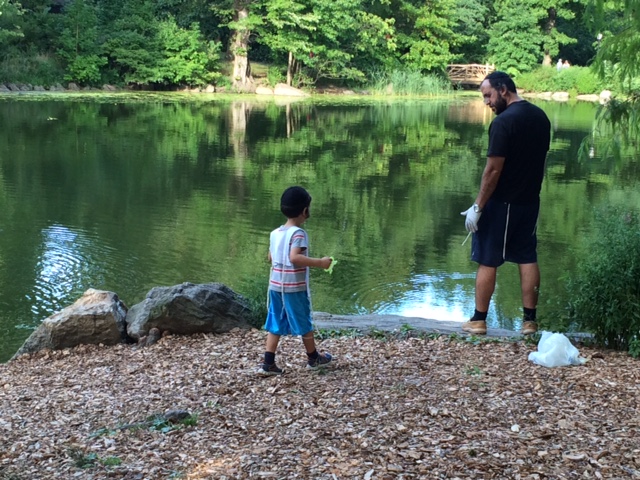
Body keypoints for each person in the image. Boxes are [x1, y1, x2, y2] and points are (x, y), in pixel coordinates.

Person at [460, 71, 551, 336]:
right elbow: (540, 162)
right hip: (529, 202)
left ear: (503, 89)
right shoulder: (541, 117)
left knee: (487, 259)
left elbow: (493, 170)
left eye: (487, 95)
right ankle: (529, 322)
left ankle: (478, 320)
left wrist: (478, 206)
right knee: (527, 257)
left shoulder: (503, 123)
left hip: (502, 203)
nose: (486, 102)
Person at [258, 186, 334, 376]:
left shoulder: (275, 233)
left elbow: (270, 257)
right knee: (304, 321)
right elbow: (294, 258)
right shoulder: (298, 234)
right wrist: (321, 263)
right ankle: (314, 358)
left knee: (275, 320)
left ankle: (268, 363)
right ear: (305, 211)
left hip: (275, 286)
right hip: (293, 288)